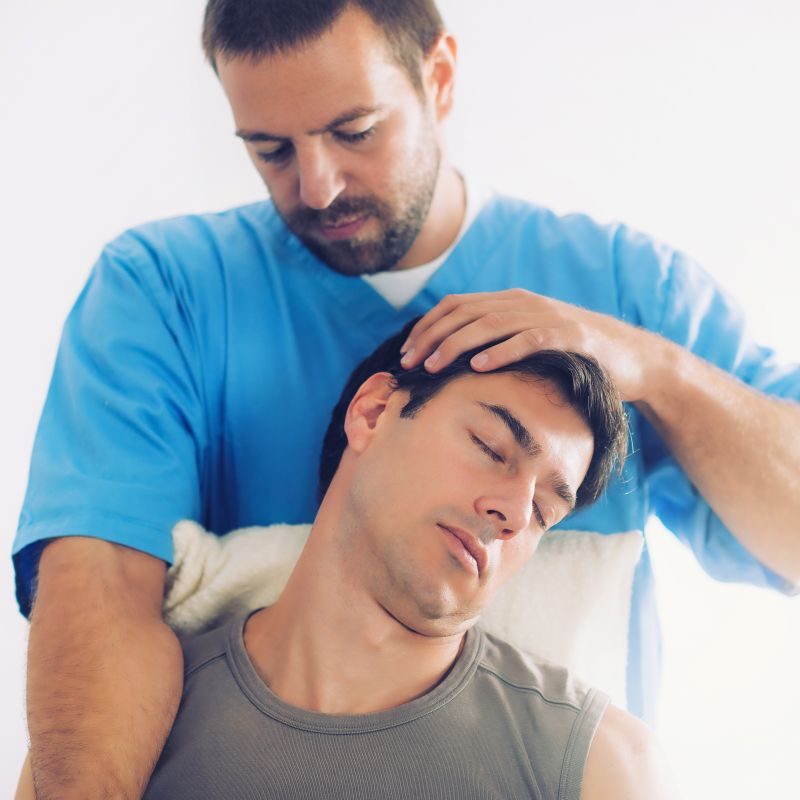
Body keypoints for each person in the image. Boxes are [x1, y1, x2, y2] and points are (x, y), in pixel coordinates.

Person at [13, 1, 799, 797]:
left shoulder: (629, 287)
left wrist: (652, 368)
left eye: (354, 131)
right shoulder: (166, 291)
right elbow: (99, 594)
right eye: (270, 149)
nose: (317, 187)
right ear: (373, 412)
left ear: (441, 78)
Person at [140, 325, 677, 799]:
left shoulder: (603, 768)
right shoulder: (135, 715)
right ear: (373, 412)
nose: (512, 513)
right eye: (490, 447)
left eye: (543, 511)